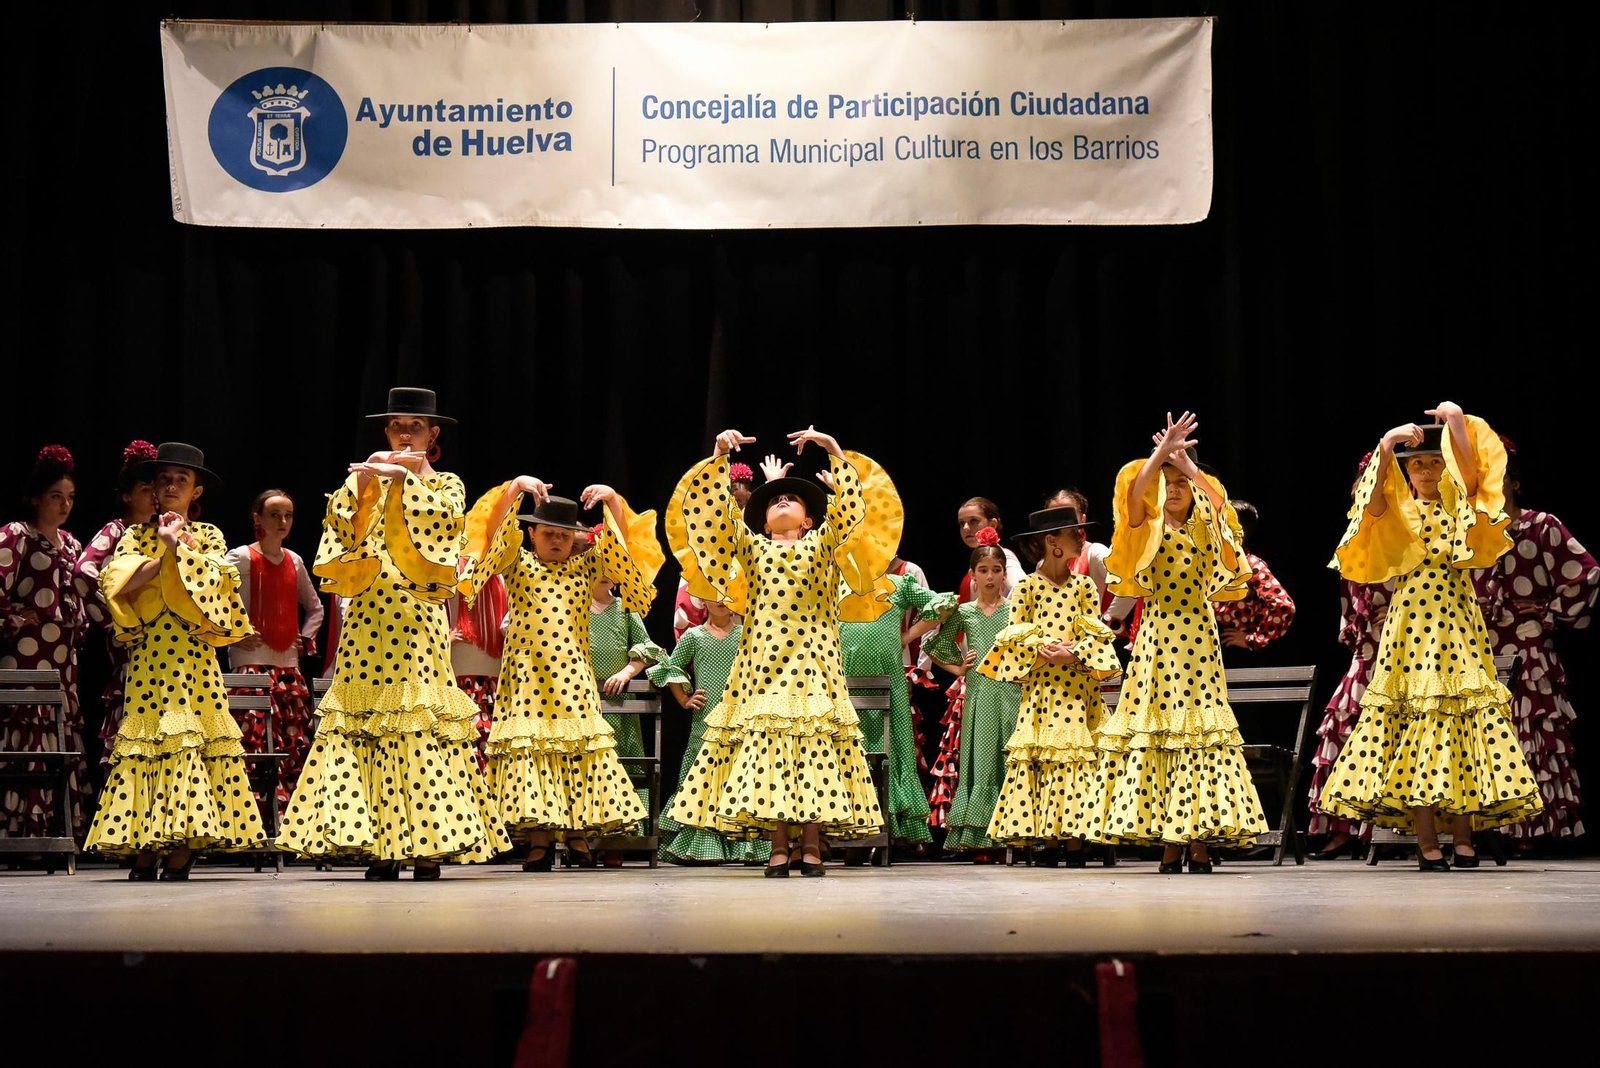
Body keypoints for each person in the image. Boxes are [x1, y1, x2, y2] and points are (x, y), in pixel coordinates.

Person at [278, 388, 507, 880]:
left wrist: (407, 479)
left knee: (417, 722)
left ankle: (427, 846)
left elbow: (446, 527)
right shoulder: (365, 478)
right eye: (397, 426)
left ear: (433, 434)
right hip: (368, 618)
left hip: (418, 617)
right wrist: (367, 483)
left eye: (415, 426)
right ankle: (380, 845)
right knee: (368, 724)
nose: (405, 434)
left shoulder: (446, 484)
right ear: (385, 431)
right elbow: (341, 533)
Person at [1319, 404, 1543, 871]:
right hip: (1410, 628)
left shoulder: (1458, 506)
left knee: (1460, 723)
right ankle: (1426, 842)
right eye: (1417, 463)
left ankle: (1463, 838)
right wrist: (1387, 444)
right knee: (1417, 727)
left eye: (1433, 462)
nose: (1425, 470)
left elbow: (1474, 475)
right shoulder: (1398, 510)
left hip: (1458, 622)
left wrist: (1456, 421)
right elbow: (1371, 500)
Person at [666, 427, 887, 876]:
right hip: (763, 664)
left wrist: (834, 450)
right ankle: (780, 845)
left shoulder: (822, 544)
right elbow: (716, 522)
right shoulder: (753, 548)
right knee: (769, 749)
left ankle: (812, 843)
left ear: (808, 520)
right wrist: (719, 457)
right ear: (764, 523)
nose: (782, 501)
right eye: (773, 501)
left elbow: (851, 516)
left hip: (813, 662)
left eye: (792, 499)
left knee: (813, 749)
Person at [457, 478, 663, 872]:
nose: (556, 541)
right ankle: (540, 840)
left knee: (576, 751)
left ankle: (577, 835)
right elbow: (493, 533)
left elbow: (623, 547)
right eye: (548, 533)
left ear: (575, 540)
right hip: (527, 678)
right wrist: (514, 490)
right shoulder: (519, 564)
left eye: (564, 535)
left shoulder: (585, 568)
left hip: (572, 675)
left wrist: (613, 502)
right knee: (534, 752)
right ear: (532, 534)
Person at [1094, 412, 1267, 873]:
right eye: (1166, 483)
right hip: (1157, 638)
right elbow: (1134, 494)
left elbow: (1222, 504)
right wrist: (1159, 455)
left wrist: (1188, 465)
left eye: (1180, 484)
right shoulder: (1145, 529)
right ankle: (1170, 845)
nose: (1172, 489)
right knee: (1162, 734)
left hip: (1199, 639)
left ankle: (1199, 841)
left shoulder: (1207, 527)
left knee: (1199, 737)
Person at [83, 442, 265, 878]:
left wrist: (178, 547)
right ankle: (151, 837)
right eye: (163, 479)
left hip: (192, 653)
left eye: (180, 480)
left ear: (195, 491)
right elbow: (119, 582)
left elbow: (213, 585)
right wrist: (165, 548)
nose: (170, 486)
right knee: (151, 741)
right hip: (150, 655)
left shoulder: (209, 536)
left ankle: (185, 839)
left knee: (188, 739)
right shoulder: (135, 536)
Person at [1474, 439, 1598, 847]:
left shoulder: (1541, 526)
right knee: (1482, 736)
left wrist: (1548, 612)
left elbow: (1585, 573)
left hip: (1527, 647)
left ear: (1514, 482)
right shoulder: (1469, 531)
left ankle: (1529, 828)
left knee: (1527, 733)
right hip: (1478, 646)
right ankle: (1483, 827)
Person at [982, 504, 1121, 864]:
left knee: (1076, 759)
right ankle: (1048, 838)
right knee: (1046, 758)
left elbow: (1095, 632)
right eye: (1074, 534)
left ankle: (1074, 840)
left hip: (1078, 688)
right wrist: (1045, 649)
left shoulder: (1084, 585)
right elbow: (1015, 634)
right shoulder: (1027, 587)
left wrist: (1074, 653)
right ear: (1052, 542)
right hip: (1044, 690)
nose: (1080, 539)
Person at [1, 445, 91, 846]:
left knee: (57, 737)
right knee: (27, 734)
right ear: (36, 498)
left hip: (62, 660)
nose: (65, 505)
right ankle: (20, 832)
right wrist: (16, 615)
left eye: (70, 497)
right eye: (56, 496)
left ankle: (52, 832)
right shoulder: (17, 535)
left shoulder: (71, 544)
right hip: (26, 655)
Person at [1307, 453, 1390, 860]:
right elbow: (1350, 600)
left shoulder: (1405, 532)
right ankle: (1344, 829)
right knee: (1344, 731)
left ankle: (1385, 830)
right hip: (1367, 651)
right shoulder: (1356, 539)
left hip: (1405, 648)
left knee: (1388, 734)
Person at [921, 532, 1023, 859]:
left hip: (1012, 691)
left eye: (996, 570)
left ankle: (1013, 835)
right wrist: (958, 669)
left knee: (1009, 757)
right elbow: (934, 644)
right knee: (983, 761)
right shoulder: (965, 612)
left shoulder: (1016, 611)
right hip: (980, 693)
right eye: (983, 570)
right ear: (973, 575)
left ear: (1004, 573)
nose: (990, 576)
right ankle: (981, 838)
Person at [651, 593, 769, 864]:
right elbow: (670, 668)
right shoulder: (694, 636)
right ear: (702, 600)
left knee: (740, 774)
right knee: (702, 775)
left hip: (741, 717)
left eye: (727, 594)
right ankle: (702, 843)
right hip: (706, 720)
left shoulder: (747, 635)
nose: (721, 600)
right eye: (714, 594)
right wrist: (684, 699)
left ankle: (743, 843)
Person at [73, 440, 158, 775]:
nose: (153, 496)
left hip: (166, 641)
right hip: (133, 644)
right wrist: (117, 618)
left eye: (155, 489)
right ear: (127, 495)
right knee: (132, 723)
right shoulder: (117, 530)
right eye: (144, 490)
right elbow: (83, 571)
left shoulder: (163, 531)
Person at [1211, 500, 1296, 657]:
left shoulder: (1250, 565)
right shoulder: (1214, 566)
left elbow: (1283, 606)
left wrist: (1253, 640)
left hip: (1233, 650)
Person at [447, 574, 507, 773]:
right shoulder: (451, 578)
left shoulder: (501, 579)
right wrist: (443, 639)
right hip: (459, 683)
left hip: (493, 684)